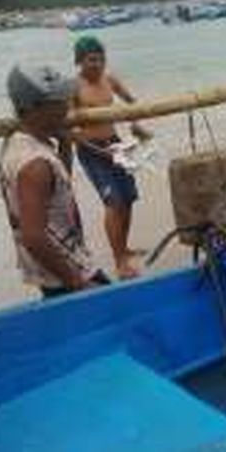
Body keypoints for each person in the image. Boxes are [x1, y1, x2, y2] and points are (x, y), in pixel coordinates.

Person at [0, 65, 109, 299]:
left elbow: (56, 188)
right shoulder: (35, 164)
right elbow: (34, 237)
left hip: (60, 264)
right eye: (57, 101)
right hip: (66, 268)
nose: (66, 105)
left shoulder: (18, 143)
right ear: (33, 108)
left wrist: (65, 145)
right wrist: (77, 283)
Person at [71, 36, 150, 279]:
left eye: (101, 59)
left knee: (128, 198)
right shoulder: (73, 87)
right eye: (91, 60)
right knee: (113, 202)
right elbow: (69, 130)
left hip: (115, 144)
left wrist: (135, 125)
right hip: (91, 150)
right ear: (79, 61)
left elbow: (131, 103)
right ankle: (119, 262)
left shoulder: (110, 79)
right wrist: (98, 151)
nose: (97, 64)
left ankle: (124, 249)